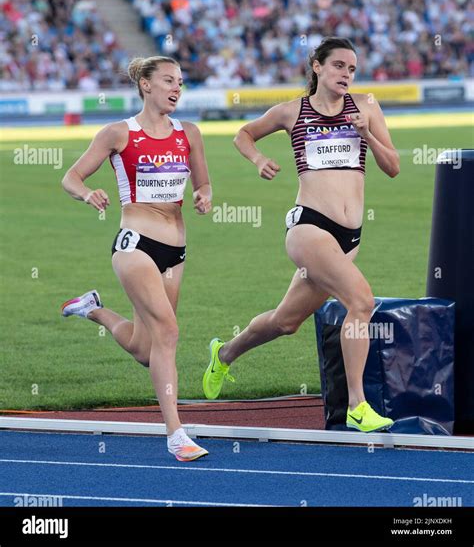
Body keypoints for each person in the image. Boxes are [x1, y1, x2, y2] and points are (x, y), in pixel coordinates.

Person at [203, 37, 400, 433]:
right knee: (361, 302)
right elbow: (243, 133)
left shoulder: (367, 107)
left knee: (285, 321)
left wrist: (367, 134)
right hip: (309, 226)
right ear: (317, 66)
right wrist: (259, 159)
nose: (346, 74)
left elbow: (393, 166)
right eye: (339, 66)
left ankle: (223, 353)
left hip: (349, 239)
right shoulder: (292, 111)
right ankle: (358, 405)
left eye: (352, 69)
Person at [61, 55, 212, 460]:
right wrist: (87, 193)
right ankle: (176, 434)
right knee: (168, 333)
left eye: (180, 81)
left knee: (147, 350)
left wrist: (204, 195)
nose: (176, 88)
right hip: (135, 245)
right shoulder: (118, 134)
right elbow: (71, 177)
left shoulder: (189, 133)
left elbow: (204, 183)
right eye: (168, 80)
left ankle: (93, 309)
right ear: (146, 85)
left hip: (175, 250)